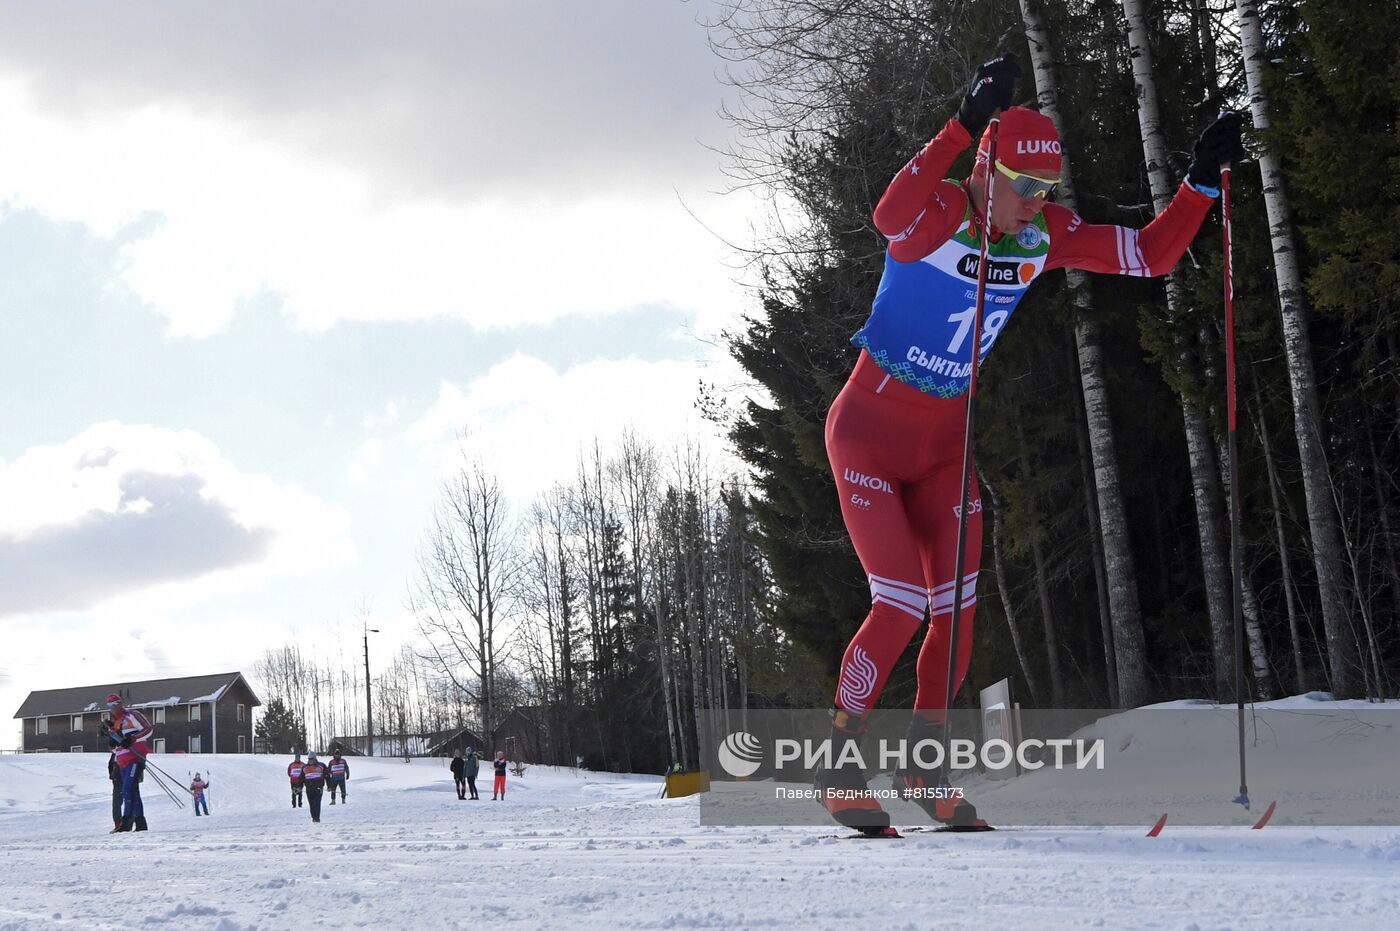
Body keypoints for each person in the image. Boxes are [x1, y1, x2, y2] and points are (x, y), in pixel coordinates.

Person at [820, 54, 1243, 835]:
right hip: (869, 439)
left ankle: (922, 769)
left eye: (1048, 190)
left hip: (946, 446)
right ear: (988, 169)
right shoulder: (941, 212)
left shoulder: (1044, 235)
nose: (1037, 204)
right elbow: (887, 216)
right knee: (902, 604)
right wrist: (961, 122)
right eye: (1025, 186)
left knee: (957, 614)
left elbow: (1149, 255)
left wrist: (1202, 183)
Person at [101, 693, 153, 833]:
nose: (113, 708)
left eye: (115, 704)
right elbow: (116, 747)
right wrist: (113, 741)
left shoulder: (132, 715)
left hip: (135, 758)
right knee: (132, 791)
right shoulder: (116, 723)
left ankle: (126, 822)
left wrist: (132, 738)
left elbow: (148, 729)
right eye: (110, 706)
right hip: (122, 762)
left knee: (128, 789)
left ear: (120, 703)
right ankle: (140, 823)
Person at [298, 751, 328, 823]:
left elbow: (327, 776)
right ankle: (313, 818)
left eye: (312, 759)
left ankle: (317, 818)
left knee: (317, 803)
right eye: (309, 759)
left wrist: (330, 786)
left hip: (318, 788)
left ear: (315, 758)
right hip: (309, 788)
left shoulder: (321, 766)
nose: (310, 761)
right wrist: (299, 786)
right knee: (311, 804)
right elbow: (301, 778)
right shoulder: (304, 767)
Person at [106, 746, 123, 832]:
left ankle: (120, 823)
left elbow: (110, 765)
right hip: (117, 777)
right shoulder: (115, 753)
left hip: (119, 777)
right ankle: (119, 823)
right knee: (119, 801)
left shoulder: (120, 749)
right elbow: (110, 765)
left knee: (118, 801)